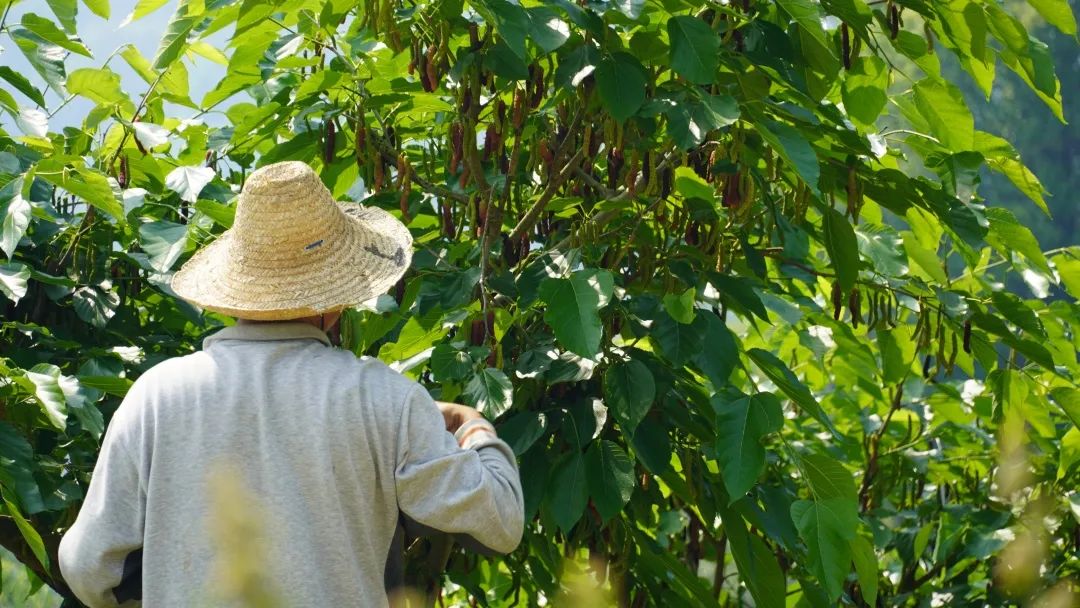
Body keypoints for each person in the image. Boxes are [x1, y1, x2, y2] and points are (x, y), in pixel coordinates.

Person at [57, 161, 524, 607]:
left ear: (233, 290)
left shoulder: (155, 396)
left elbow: (88, 569)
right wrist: (474, 428)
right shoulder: (387, 400)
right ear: (338, 298)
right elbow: (500, 522)